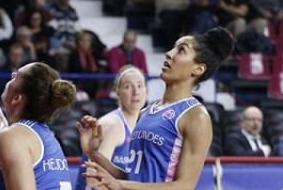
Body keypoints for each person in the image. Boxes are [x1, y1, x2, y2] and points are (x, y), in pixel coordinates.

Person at [79, 27, 235, 188]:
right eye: (173, 47)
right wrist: (94, 154)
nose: (169, 53)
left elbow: (184, 186)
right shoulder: (145, 112)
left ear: (198, 69)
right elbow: (133, 176)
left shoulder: (195, 115)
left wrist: (120, 185)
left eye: (181, 50)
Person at [0, 62, 75, 190]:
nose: (12, 75)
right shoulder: (45, 136)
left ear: (16, 98)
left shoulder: (11, 136)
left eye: (16, 77)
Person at [76, 65, 147, 190]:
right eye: (128, 87)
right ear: (117, 91)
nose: (136, 92)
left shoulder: (143, 122)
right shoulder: (113, 124)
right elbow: (92, 178)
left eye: (140, 86)